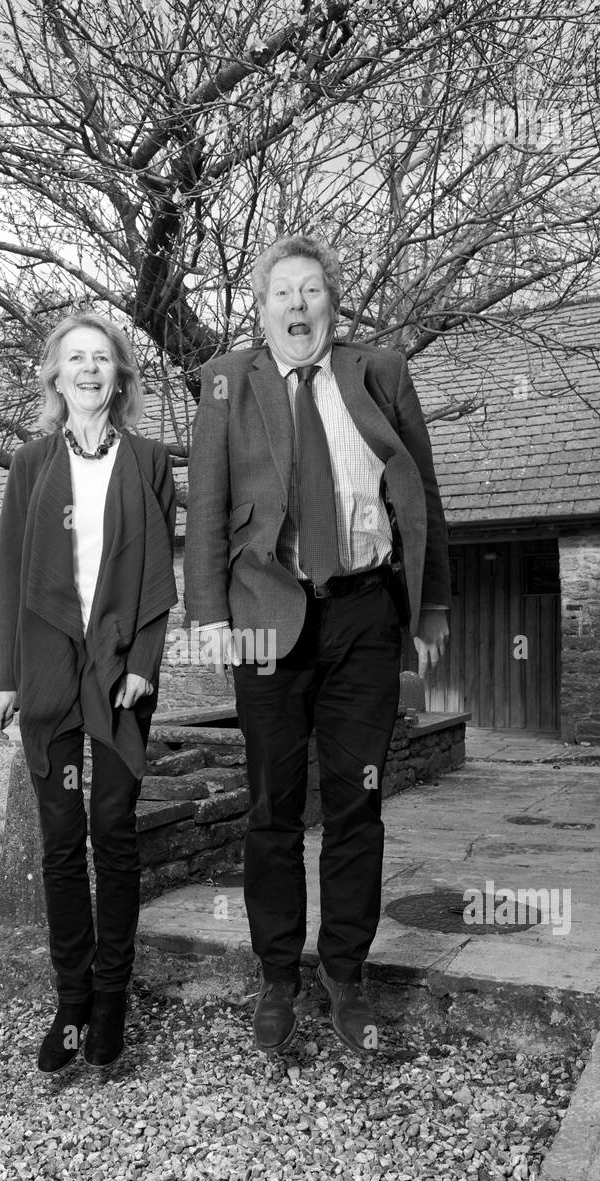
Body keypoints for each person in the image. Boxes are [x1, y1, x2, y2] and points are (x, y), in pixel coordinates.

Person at [185, 235, 450, 1056]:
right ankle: (275, 977)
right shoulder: (228, 384)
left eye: (311, 292)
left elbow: (425, 496)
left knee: (355, 802)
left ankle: (346, 978)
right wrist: (208, 616)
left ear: (332, 302)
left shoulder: (381, 371)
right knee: (270, 807)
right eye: (281, 295)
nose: (297, 307)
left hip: (364, 615)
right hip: (267, 614)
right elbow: (206, 507)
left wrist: (431, 605)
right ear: (260, 311)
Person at [0, 312, 177, 1073]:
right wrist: (3, 677)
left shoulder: (150, 460)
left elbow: (162, 577)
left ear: (119, 374)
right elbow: (7, 574)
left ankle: (112, 1002)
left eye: (103, 358)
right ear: (55, 376)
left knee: (114, 831)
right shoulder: (31, 464)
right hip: (48, 663)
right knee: (62, 839)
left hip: (121, 665)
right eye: (77, 359)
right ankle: (71, 1003)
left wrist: (147, 664)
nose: (91, 369)